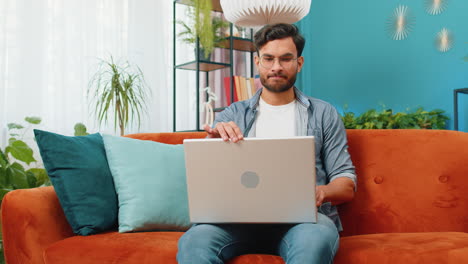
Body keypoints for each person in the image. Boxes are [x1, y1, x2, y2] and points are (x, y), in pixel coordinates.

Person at [177, 23, 356, 264]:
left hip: (305, 223)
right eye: (269, 58)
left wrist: (320, 192)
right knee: (194, 242)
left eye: (286, 59)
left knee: (314, 242)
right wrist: (213, 144)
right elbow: (207, 182)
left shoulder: (323, 114)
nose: (276, 67)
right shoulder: (231, 114)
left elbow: (346, 184)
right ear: (257, 61)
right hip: (236, 222)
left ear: (299, 63)